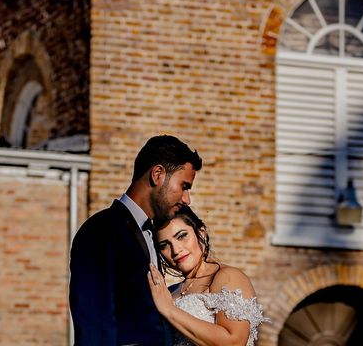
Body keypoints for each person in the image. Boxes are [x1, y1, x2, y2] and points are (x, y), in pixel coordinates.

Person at [70, 135, 203, 345]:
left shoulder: (152, 232)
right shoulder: (100, 230)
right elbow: (94, 325)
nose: (187, 199)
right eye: (184, 186)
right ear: (157, 174)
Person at [147, 206, 268, 346]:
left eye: (181, 236)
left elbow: (234, 342)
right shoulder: (169, 292)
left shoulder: (226, 276)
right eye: (164, 245)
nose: (176, 250)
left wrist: (169, 310)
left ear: (201, 233)